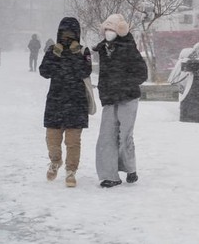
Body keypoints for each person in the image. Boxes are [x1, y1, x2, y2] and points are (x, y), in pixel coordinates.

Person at [92, 14, 148, 188]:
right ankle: (109, 175)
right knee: (106, 137)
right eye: (106, 29)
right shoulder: (102, 49)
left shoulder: (129, 48)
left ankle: (130, 168)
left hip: (128, 97)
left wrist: (124, 85)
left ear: (120, 30)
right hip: (110, 98)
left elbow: (142, 74)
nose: (108, 32)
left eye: (112, 29)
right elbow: (104, 75)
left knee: (125, 135)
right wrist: (104, 91)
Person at [38, 18, 92, 187]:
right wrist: (55, 55)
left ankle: (71, 171)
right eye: (63, 33)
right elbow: (44, 72)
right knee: (52, 139)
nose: (67, 38)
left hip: (76, 103)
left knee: (73, 141)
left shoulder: (83, 52)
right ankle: (55, 161)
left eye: (70, 34)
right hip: (55, 101)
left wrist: (76, 54)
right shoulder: (53, 50)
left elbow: (85, 71)